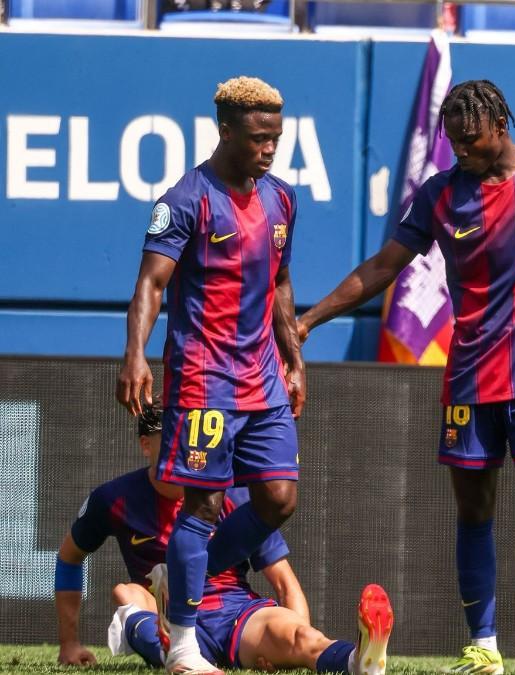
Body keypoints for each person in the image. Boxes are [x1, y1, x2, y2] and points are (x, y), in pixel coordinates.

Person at [297, 80, 515, 675]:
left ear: (499, 123)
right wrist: (309, 318)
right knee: (474, 512)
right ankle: (484, 647)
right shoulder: (440, 195)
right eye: (453, 143)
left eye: (470, 140)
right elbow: (384, 266)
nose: (461, 151)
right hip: (468, 377)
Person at [116, 75, 306, 675]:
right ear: (225, 129)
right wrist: (136, 354)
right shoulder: (184, 199)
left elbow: (278, 282)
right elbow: (150, 283)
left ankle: (191, 570)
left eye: (276, 138)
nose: (268, 149)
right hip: (203, 380)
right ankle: (184, 644)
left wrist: (294, 355)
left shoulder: (281, 198)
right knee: (201, 508)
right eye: (257, 138)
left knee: (279, 499)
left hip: (264, 379)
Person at [54, 403, 392, 675]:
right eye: (171, 433)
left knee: (302, 637)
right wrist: (69, 644)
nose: (183, 441)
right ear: (146, 444)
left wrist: (287, 641)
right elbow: (69, 557)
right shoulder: (113, 498)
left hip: (235, 615)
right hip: (165, 612)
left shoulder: (233, 494)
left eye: (187, 431)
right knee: (127, 592)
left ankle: (357, 662)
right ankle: (177, 648)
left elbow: (285, 582)